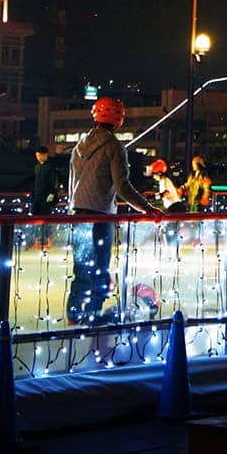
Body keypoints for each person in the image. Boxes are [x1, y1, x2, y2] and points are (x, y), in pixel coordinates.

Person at [66, 96, 163, 326]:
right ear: (119, 118)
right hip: (100, 214)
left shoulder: (79, 146)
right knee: (100, 266)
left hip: (78, 213)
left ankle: (73, 313)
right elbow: (122, 187)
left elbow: (73, 183)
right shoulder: (114, 146)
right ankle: (93, 315)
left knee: (81, 266)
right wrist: (147, 208)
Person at [30, 145, 63, 249]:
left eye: (40, 155)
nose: (39, 157)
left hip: (46, 197)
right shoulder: (36, 167)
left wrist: (52, 194)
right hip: (37, 197)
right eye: (37, 155)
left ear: (46, 155)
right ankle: (36, 241)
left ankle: (48, 241)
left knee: (46, 219)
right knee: (35, 218)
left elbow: (54, 182)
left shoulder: (50, 167)